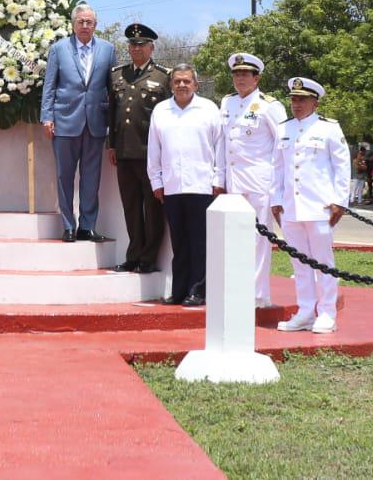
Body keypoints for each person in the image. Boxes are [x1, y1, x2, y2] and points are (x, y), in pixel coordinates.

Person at [270, 76, 351, 334]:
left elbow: (342, 166)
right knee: (299, 263)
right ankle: (305, 311)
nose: (297, 104)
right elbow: (277, 168)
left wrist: (340, 201)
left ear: (315, 102)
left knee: (323, 263)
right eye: (294, 99)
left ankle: (327, 312)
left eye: (302, 99)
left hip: (320, 207)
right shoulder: (284, 129)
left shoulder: (329, 128)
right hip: (291, 207)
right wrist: (275, 199)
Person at [146, 63, 224, 306]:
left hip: (201, 186)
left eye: (186, 81)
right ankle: (178, 290)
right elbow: (153, 149)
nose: (181, 85)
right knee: (178, 242)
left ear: (196, 85)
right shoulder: (161, 110)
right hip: (172, 186)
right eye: (177, 81)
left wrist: (218, 180)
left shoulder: (209, 109)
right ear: (171, 84)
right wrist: (156, 181)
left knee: (199, 241)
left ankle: (197, 290)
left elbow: (220, 147)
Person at [41, 3, 117, 243]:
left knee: (91, 177)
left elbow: (112, 88)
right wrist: (47, 116)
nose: (85, 26)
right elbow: (50, 85)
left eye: (89, 22)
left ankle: (87, 226)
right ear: (73, 24)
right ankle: (68, 225)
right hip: (64, 121)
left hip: (96, 121)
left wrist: (112, 122)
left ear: (95, 25)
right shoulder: (59, 49)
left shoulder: (108, 49)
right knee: (65, 176)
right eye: (81, 22)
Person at [220, 52, 287, 307]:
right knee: (235, 238)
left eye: (245, 74)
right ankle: (237, 289)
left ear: (256, 78)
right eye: (236, 74)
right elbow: (223, 143)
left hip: (260, 182)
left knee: (260, 240)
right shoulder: (227, 103)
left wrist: (279, 184)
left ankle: (258, 295)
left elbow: (283, 144)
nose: (240, 78)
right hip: (234, 183)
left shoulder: (269, 105)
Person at [106, 22, 170, 273]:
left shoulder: (163, 76)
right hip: (123, 152)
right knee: (131, 207)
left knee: (152, 209)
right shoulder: (117, 74)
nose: (137, 48)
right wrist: (111, 145)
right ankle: (133, 254)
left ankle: (149, 258)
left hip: (150, 154)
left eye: (142, 45)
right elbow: (112, 113)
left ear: (151, 47)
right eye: (133, 45)